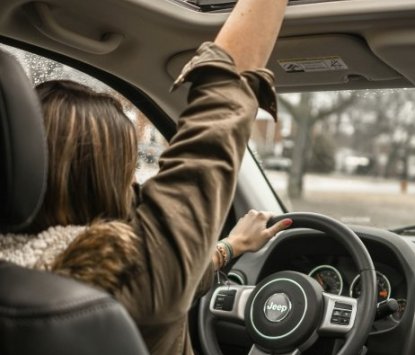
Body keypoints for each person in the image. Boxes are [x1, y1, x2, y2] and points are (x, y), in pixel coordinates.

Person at [0, 0, 291, 354]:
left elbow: (177, 262)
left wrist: (230, 248)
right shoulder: (127, 276)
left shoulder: (16, 279)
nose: (135, 184)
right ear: (108, 182)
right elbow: (222, 105)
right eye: (128, 170)